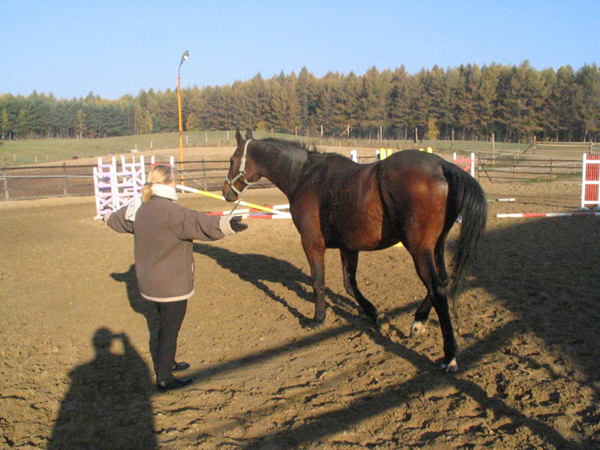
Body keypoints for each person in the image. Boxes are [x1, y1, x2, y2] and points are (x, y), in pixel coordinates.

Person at [103, 164, 247, 391]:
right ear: (169, 183)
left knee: (164, 324)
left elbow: (116, 220)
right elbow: (198, 222)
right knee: (170, 329)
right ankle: (164, 377)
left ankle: (167, 361)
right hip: (171, 285)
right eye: (175, 180)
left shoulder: (139, 207)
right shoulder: (172, 211)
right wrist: (226, 225)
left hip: (150, 283)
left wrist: (107, 216)